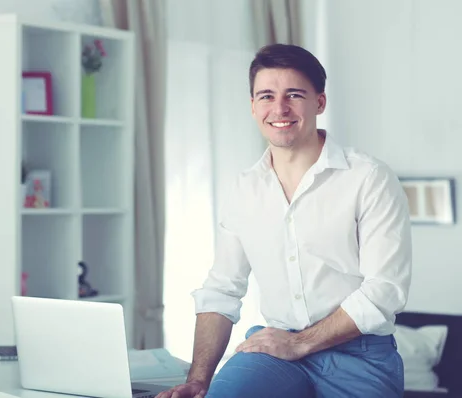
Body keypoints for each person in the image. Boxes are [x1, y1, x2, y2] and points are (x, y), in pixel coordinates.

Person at [156, 44, 412, 398]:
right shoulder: (244, 188)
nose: (279, 108)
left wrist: (301, 343)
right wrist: (198, 380)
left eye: (294, 94)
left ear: (319, 103)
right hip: (271, 353)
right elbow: (221, 291)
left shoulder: (369, 178)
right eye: (266, 96)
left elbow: (385, 290)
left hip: (360, 356)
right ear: (252, 106)